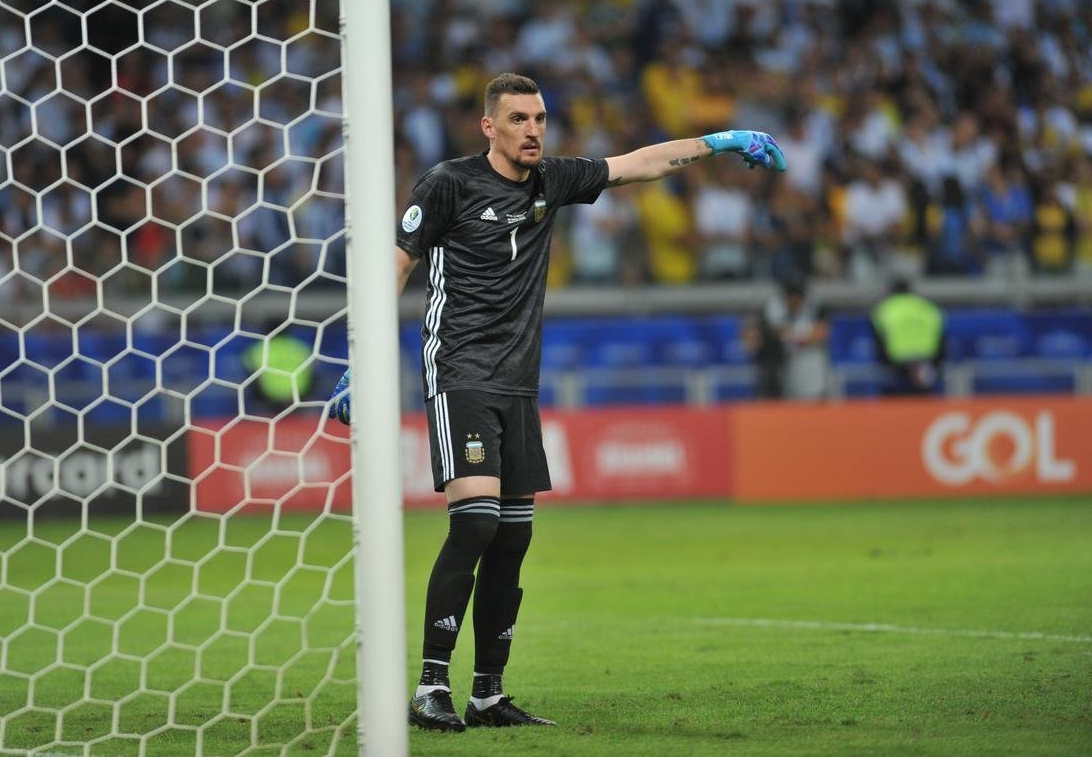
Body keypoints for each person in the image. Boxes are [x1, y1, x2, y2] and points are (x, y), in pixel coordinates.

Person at [329, 72, 786, 732]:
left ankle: (488, 694)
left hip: (519, 380)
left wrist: (722, 140)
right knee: (476, 523)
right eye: (518, 119)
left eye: (540, 118)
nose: (533, 130)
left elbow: (641, 163)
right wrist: (359, 360)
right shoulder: (448, 184)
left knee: (513, 536)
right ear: (489, 126)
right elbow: (396, 265)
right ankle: (431, 686)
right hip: (460, 371)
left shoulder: (553, 181)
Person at [744, 273, 829, 400]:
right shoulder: (773, 307)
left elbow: (820, 334)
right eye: (789, 296)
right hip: (783, 367)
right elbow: (751, 338)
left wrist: (787, 334)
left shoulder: (815, 306)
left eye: (797, 296)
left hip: (810, 365)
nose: (793, 300)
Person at [870, 277, 945, 395]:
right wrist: (936, 363)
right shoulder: (929, 308)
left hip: (896, 364)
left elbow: (879, 340)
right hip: (926, 361)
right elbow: (941, 339)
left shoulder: (884, 309)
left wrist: (885, 363)